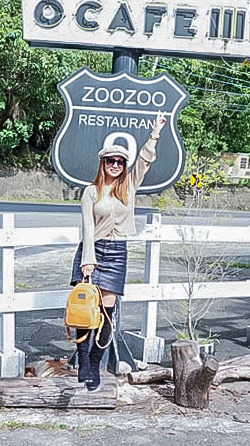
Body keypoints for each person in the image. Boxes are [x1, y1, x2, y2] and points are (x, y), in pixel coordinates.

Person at [70, 112, 167, 391]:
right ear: (103, 163)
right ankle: (84, 362)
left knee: (106, 311)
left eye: (120, 161)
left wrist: (155, 133)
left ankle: (96, 363)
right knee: (84, 309)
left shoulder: (129, 186)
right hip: (92, 251)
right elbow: (87, 228)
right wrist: (88, 261)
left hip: (116, 252)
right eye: (110, 160)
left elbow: (146, 160)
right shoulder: (91, 192)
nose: (115, 165)